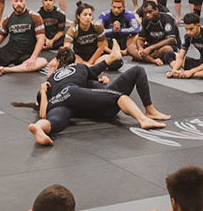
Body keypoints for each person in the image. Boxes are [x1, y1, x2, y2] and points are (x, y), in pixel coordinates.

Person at [26, 46, 168, 144]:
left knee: (54, 121)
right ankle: (144, 119)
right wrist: (110, 59)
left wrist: (43, 92)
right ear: (74, 61)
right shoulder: (79, 67)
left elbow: (43, 113)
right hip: (84, 98)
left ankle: (39, 128)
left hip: (63, 101)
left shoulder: (51, 80)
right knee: (119, 96)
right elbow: (96, 69)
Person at [168, 11, 203, 80]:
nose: (188, 32)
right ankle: (181, 73)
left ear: (198, 25)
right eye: (186, 29)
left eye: (191, 29)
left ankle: (186, 74)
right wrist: (174, 71)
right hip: (200, 64)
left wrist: (191, 71)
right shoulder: (187, 37)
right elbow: (181, 57)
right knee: (169, 55)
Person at [129, 1, 178, 66]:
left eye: (150, 12)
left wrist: (150, 48)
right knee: (130, 48)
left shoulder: (167, 18)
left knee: (167, 49)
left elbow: (170, 40)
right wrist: (140, 49)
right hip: (150, 47)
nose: (147, 15)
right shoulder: (145, 20)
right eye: (145, 13)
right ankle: (153, 60)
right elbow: (141, 38)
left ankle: (143, 58)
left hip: (163, 47)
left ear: (156, 10)